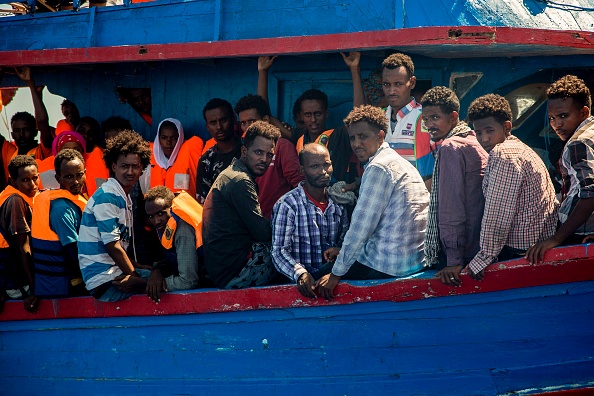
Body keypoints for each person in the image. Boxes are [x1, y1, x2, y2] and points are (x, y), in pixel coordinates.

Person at [316, 105, 429, 300]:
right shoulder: (395, 161)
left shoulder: (379, 168)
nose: (356, 144)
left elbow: (361, 228)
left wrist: (335, 275)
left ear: (380, 136)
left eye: (363, 137)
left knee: (315, 280)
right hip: (412, 260)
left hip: (389, 265)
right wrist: (344, 252)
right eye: (352, 138)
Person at [466, 94, 558, 280]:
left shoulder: (504, 154)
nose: (484, 139)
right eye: (478, 133)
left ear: (506, 127)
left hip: (521, 253)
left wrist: (483, 258)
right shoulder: (520, 148)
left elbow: (498, 215)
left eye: (489, 130)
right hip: (536, 245)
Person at [420, 87, 489, 286]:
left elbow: (452, 209)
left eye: (435, 118)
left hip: (462, 253)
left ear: (453, 117)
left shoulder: (451, 147)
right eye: (425, 120)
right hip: (477, 246)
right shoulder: (474, 140)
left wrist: (453, 260)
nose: (429, 125)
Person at [202, 121, 280, 289]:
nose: (264, 159)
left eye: (269, 155)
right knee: (287, 248)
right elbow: (262, 232)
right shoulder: (239, 180)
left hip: (223, 269)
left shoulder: (234, 173)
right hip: (233, 274)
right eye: (258, 152)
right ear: (244, 151)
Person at [78, 130, 153, 302]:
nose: (130, 171)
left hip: (112, 274)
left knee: (157, 275)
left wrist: (136, 267)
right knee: (161, 284)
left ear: (142, 168)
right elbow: (113, 246)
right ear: (113, 167)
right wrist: (135, 278)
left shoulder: (121, 196)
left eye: (135, 166)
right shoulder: (108, 197)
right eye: (124, 166)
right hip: (103, 281)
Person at [527, 75, 594, 262]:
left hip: (579, 233)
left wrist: (556, 239)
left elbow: (590, 194)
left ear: (584, 112)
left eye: (564, 116)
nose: (557, 124)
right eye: (552, 118)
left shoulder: (578, 143)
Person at [271, 144, 349, 298]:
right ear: (302, 170)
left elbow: (345, 245)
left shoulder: (339, 204)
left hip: (331, 285)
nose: (323, 172)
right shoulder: (287, 205)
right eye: (314, 166)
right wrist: (300, 274)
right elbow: (279, 251)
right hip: (299, 289)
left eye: (327, 165)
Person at [234, 94, 303, 218]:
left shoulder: (282, 146)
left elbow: (299, 184)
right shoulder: (243, 148)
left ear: (265, 120)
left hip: (278, 222)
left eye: (252, 121)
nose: (247, 127)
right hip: (250, 223)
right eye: (243, 123)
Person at [31, 149, 88, 298]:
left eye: (79, 175)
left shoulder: (73, 200)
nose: (76, 182)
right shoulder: (62, 210)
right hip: (64, 287)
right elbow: (72, 252)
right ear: (58, 178)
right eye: (69, 177)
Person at [381, 53, 435, 189]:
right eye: (387, 84)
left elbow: (442, 163)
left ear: (412, 82)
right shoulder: (378, 118)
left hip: (417, 202)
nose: (391, 90)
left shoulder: (425, 117)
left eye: (398, 84)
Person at [144, 186, 203, 303]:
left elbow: (188, 281)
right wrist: (157, 270)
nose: (156, 221)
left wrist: (149, 285)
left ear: (172, 209)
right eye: (151, 216)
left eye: (160, 214)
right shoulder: (165, 225)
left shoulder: (183, 231)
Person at [0, 155, 40, 313]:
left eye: (35, 178)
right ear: (13, 182)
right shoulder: (15, 201)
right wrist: (33, 290)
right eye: (25, 180)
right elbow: (23, 248)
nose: (32, 184)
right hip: (17, 284)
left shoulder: (25, 197)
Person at [142, 118, 203, 199]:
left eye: (173, 138)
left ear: (180, 138)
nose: (168, 142)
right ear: (158, 139)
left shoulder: (189, 157)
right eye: (164, 137)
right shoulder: (147, 162)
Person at [196, 98, 242, 203]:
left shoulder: (249, 150)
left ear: (234, 119)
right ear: (207, 127)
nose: (219, 127)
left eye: (223, 120)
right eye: (213, 123)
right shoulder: (206, 161)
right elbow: (203, 202)